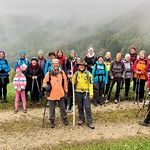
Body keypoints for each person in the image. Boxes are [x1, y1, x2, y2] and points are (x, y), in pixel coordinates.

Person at [43, 59, 69, 128]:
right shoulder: (49, 73)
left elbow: (65, 82)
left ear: (59, 64)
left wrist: (66, 92)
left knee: (62, 108)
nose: (55, 65)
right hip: (51, 94)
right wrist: (46, 86)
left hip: (60, 93)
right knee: (52, 109)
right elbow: (44, 82)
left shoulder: (62, 72)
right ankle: (52, 121)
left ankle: (65, 119)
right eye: (54, 64)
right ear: (52, 65)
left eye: (57, 63)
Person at [73, 60, 95, 129]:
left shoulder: (88, 74)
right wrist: (71, 78)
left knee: (87, 107)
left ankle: (90, 121)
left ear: (85, 67)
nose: (81, 67)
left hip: (86, 92)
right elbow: (73, 82)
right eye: (80, 65)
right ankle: (81, 119)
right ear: (78, 66)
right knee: (80, 106)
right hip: (78, 92)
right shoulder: (76, 74)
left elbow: (91, 84)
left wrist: (91, 93)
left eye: (83, 66)